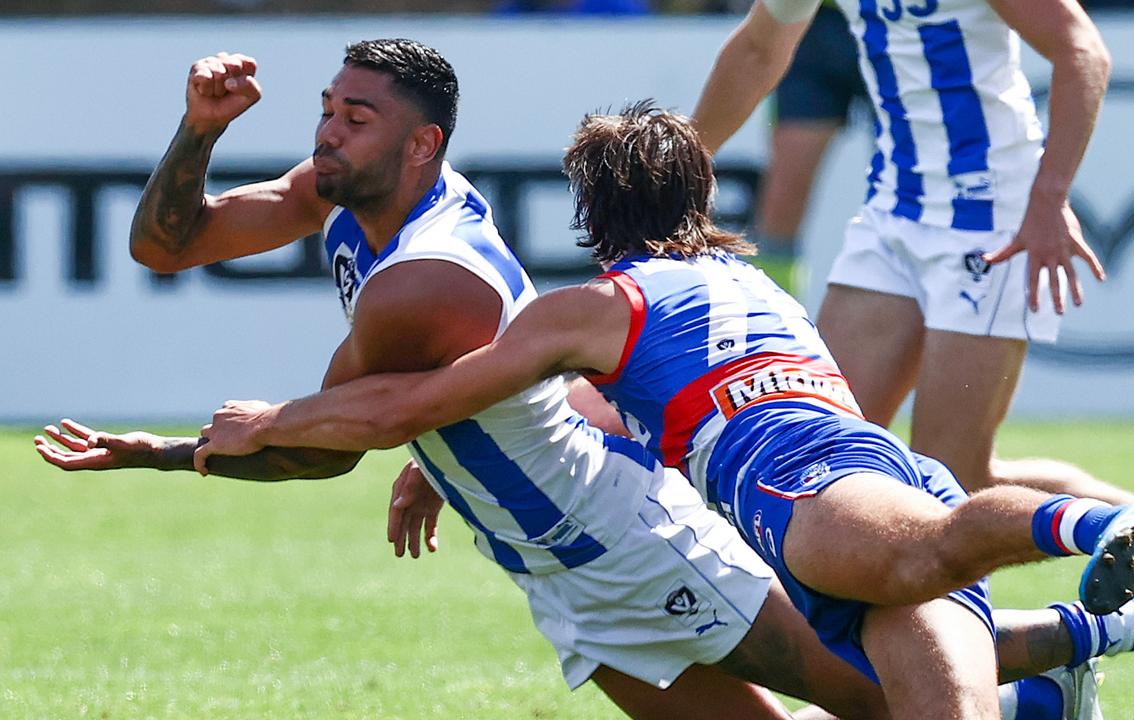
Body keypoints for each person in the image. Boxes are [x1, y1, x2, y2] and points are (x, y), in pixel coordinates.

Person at [189, 103, 1134, 719]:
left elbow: (441, 395)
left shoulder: (598, 306)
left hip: (804, 491)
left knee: (923, 561)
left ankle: (1115, 532)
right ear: (696, 204)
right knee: (902, 697)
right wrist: (442, 454)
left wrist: (283, 424)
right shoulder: (747, 280)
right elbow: (549, 404)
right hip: (846, 480)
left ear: (591, 214)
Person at [34, 40, 897, 720]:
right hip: (549, 568)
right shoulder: (345, 192)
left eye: (356, 117)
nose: (328, 131)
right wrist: (201, 127)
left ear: (422, 145)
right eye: (327, 110)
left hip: (618, 539)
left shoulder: (425, 277)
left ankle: (1041, 657)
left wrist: (168, 454)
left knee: (873, 701)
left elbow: (329, 445)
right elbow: (166, 246)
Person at [690, 0, 1134, 622]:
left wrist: (1049, 199)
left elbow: (1083, 49)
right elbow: (758, 48)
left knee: (957, 479)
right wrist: (680, 172)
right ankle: (858, 673)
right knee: (815, 446)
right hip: (892, 216)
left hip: (994, 221)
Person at [750, 1, 866, 292]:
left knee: (911, 179)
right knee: (783, 195)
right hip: (811, 21)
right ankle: (771, 320)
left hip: (901, 21)